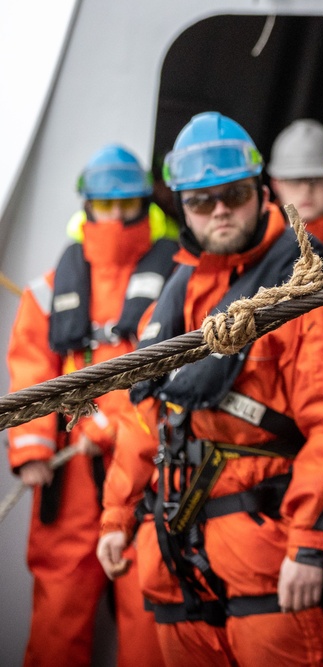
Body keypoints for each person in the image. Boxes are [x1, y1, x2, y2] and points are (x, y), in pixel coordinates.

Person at [94, 112, 323, 666]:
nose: (220, 210)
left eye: (234, 194)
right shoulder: (175, 298)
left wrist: (309, 545)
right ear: (182, 208)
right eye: (202, 201)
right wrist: (117, 514)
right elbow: (144, 420)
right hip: (175, 562)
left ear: (260, 192)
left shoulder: (301, 292)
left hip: (270, 564)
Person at [7, 144, 174, 667]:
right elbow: (31, 365)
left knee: (149, 602)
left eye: (127, 204)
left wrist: (115, 423)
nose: (116, 216)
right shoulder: (50, 289)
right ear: (87, 207)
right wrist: (32, 447)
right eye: (105, 205)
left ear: (145, 203)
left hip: (146, 466)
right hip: (71, 469)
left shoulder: (177, 278)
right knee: (60, 601)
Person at [267, 118, 323, 265]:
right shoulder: (260, 244)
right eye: (294, 180)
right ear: (276, 184)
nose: (306, 190)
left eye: (316, 179)